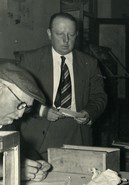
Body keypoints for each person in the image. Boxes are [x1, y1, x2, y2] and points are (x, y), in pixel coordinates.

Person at [18, 12, 107, 160]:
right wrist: (43, 111)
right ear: (49, 33)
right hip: (39, 137)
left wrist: (89, 112)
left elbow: (99, 96)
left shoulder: (89, 63)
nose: (66, 40)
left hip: (77, 134)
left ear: (77, 35)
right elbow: (18, 97)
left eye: (71, 35)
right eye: (60, 34)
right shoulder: (30, 60)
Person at [0, 62, 51, 181]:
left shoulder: (8, 125)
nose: (21, 115)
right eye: (20, 104)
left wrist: (37, 165)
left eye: (26, 107)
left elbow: (23, 151)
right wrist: (9, 170)